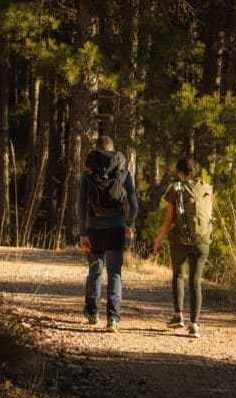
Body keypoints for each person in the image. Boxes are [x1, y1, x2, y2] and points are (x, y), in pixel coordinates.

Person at [78, 135, 138, 333]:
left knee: (95, 270)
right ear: (113, 150)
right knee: (115, 273)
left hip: (94, 228)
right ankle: (113, 319)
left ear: (96, 149)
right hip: (116, 227)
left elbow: (80, 204)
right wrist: (129, 223)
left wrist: (82, 232)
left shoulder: (89, 170)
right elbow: (134, 202)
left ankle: (92, 313)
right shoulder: (123, 169)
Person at [152, 156, 213, 338]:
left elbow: (169, 218)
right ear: (194, 172)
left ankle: (178, 316)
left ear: (180, 173)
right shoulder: (207, 189)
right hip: (202, 242)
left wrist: (158, 240)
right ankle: (194, 325)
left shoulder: (176, 189)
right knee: (195, 283)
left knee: (178, 276)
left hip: (180, 241)